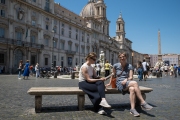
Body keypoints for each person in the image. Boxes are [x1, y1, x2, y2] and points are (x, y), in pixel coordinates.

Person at [106, 52, 153, 117]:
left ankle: (132, 109)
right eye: (120, 57)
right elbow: (113, 75)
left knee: (132, 89)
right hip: (120, 83)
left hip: (127, 83)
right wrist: (109, 83)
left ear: (126, 57)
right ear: (119, 58)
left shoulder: (129, 66)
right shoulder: (115, 65)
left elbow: (131, 77)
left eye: (123, 57)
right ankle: (142, 102)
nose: (122, 58)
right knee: (135, 83)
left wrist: (126, 79)